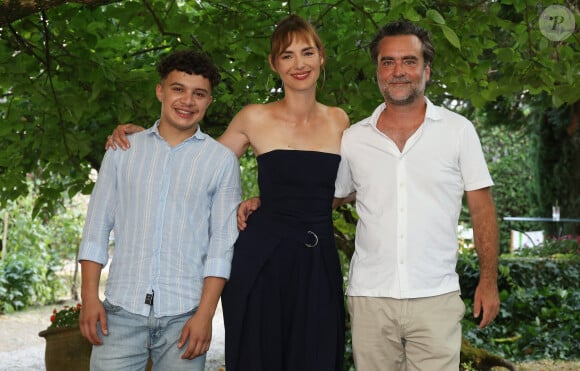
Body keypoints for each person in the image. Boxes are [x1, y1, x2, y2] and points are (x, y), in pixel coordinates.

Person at [105, 15, 349, 371]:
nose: (299, 64)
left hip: (318, 259)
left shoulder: (340, 120)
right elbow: (198, 165)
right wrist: (147, 140)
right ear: (273, 63)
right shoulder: (253, 117)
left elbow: (350, 189)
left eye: (307, 52)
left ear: (321, 57)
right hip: (261, 259)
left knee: (319, 356)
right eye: (287, 55)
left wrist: (275, 199)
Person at [333, 20, 500, 370]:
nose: (398, 72)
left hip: (436, 297)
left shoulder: (458, 132)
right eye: (387, 62)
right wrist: (268, 201)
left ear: (426, 69)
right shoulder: (353, 138)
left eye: (409, 61)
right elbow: (332, 196)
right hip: (370, 297)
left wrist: (488, 281)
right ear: (377, 70)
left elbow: (482, 209)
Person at [78, 50, 241, 371]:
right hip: (120, 312)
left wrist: (205, 316)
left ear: (209, 101)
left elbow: (221, 247)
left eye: (199, 94)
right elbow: (96, 227)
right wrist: (90, 298)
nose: (187, 101)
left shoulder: (221, 161)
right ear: (161, 91)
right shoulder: (122, 150)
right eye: (178, 89)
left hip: (184, 316)